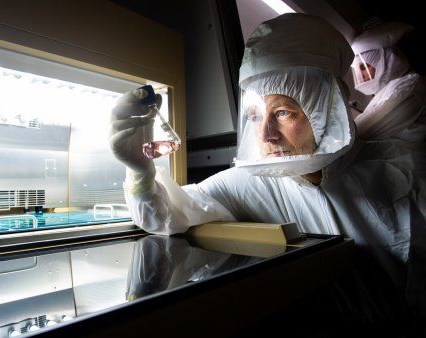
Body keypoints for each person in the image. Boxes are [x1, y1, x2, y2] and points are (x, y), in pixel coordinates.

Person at [110, 13, 426, 328]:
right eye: (255, 115)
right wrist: (140, 171)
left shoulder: (401, 167)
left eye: (283, 112)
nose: (265, 135)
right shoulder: (252, 183)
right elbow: (166, 216)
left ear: (327, 109)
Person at [351, 21, 426, 142]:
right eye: (357, 70)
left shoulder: (408, 86)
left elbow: (361, 133)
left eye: (364, 67)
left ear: (386, 60)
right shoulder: (394, 86)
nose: (361, 76)